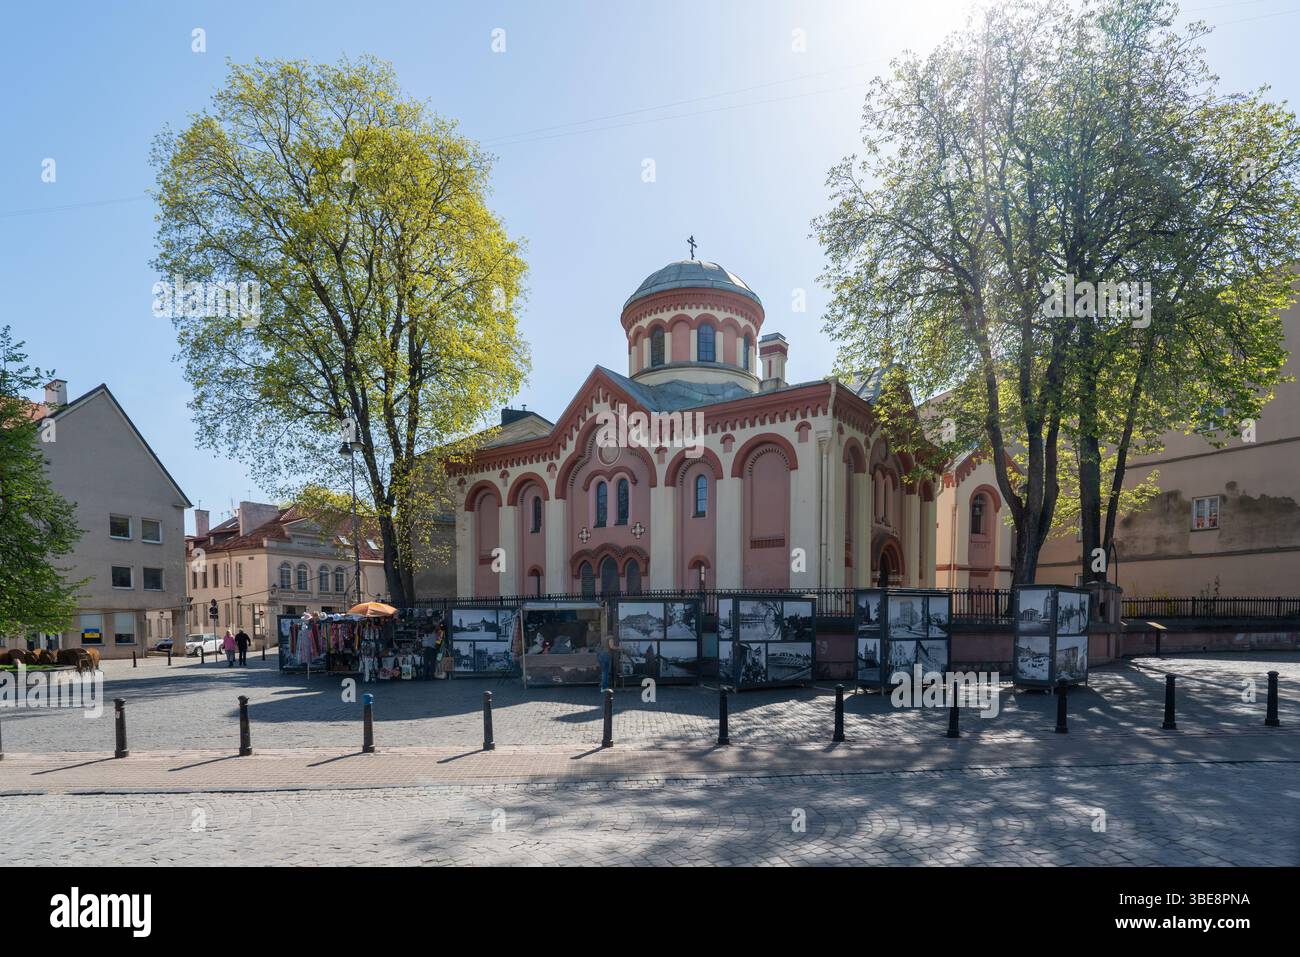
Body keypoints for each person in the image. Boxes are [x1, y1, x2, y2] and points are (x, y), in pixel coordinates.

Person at [597, 629, 619, 693]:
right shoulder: (611, 638)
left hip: (601, 655)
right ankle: (604, 687)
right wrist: (619, 648)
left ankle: (603, 685)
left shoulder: (604, 638)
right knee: (605, 672)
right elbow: (611, 646)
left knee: (604, 671)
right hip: (605, 655)